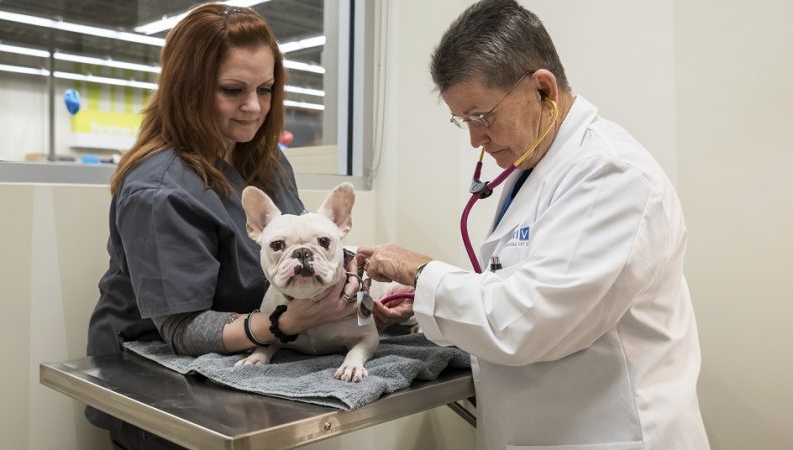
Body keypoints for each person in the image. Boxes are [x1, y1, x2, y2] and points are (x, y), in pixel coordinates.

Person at [357, 1, 710, 449]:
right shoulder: (538, 167)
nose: (474, 140)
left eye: (482, 117)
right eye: (463, 121)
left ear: (543, 88)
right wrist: (425, 300)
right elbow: (522, 290)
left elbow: (527, 321)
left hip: (613, 433)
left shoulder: (611, 174)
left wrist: (421, 273)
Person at [85, 4, 359, 449]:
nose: (254, 107)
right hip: (161, 381)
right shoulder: (158, 191)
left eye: (266, 89)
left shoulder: (265, 160)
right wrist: (287, 323)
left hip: (250, 371)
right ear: (187, 89)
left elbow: (296, 248)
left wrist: (350, 283)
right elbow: (180, 329)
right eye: (233, 90)